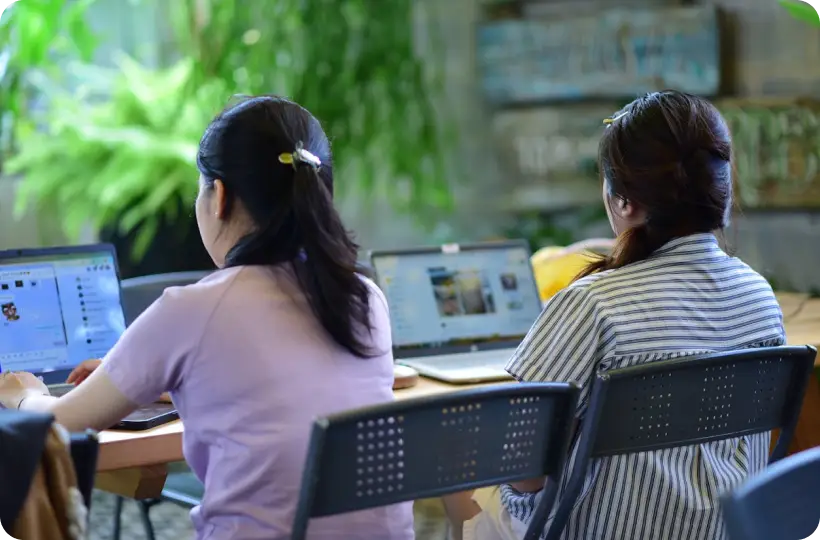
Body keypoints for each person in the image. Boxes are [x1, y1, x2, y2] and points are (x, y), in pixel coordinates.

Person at [0, 96, 415, 540]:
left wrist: (25, 395)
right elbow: (287, 386)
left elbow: (63, 423)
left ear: (219, 197)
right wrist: (151, 381)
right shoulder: (364, 298)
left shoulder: (194, 309)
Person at [444, 91, 785, 540]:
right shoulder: (760, 297)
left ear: (624, 202)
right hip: (726, 530)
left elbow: (525, 471)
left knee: (456, 463)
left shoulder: (593, 304)